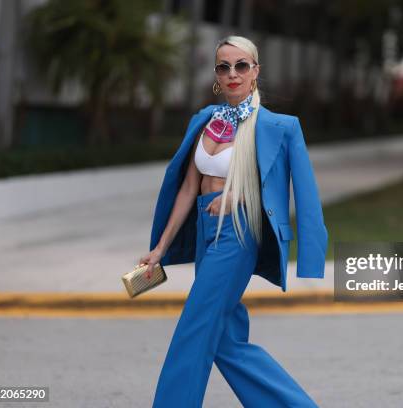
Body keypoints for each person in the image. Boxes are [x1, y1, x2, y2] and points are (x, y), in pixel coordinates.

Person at [138, 35, 328, 407]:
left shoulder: (279, 126)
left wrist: (240, 194)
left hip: (239, 233)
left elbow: (299, 193)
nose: (233, 73)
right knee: (224, 340)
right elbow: (188, 189)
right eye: (224, 66)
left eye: (241, 65)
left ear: (255, 71)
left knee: (193, 329)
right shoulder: (205, 121)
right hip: (205, 235)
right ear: (216, 75)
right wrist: (160, 247)